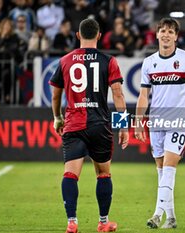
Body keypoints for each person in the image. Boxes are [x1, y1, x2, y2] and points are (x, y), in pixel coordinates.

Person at [49, 18, 129, 233]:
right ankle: (103, 222)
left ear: (77, 35)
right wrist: (123, 127)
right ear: (100, 35)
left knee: (70, 174)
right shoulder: (109, 60)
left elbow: (55, 94)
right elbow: (118, 93)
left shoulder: (65, 61)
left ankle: (72, 222)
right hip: (99, 125)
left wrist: (57, 117)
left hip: (74, 124)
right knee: (103, 173)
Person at [134, 18, 185, 229]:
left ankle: (156, 215)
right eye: (162, 31)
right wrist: (138, 122)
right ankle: (171, 218)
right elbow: (143, 96)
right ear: (156, 35)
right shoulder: (149, 62)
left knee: (169, 167)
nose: (166, 35)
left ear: (176, 36)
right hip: (156, 121)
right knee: (161, 171)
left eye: (170, 32)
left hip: (179, 121)